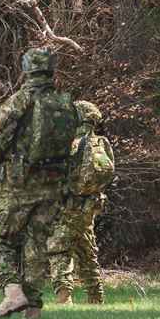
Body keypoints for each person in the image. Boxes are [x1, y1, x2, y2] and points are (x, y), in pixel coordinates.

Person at [0, 48, 83, 318]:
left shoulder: (19, 101)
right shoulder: (65, 103)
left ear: (26, 69)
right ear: (52, 70)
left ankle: (13, 293)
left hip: (19, 183)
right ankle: (34, 308)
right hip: (54, 184)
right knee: (36, 245)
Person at [49, 100, 114, 304]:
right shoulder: (101, 143)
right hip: (90, 206)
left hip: (69, 205)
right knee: (87, 250)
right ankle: (96, 297)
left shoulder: (69, 143)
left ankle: (64, 297)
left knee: (59, 248)